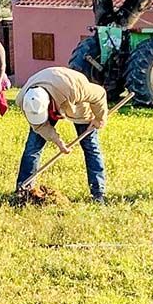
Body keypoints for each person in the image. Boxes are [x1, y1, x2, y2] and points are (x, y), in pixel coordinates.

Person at [14, 66, 109, 204]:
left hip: (77, 105)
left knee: (91, 147)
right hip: (53, 94)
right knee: (32, 147)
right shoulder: (24, 100)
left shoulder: (74, 89)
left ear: (49, 104)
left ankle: (98, 193)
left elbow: (99, 94)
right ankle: (23, 191)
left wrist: (100, 118)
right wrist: (58, 142)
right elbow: (39, 126)